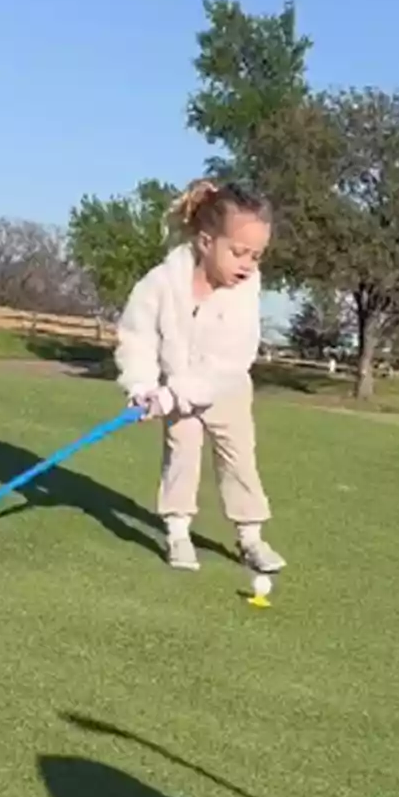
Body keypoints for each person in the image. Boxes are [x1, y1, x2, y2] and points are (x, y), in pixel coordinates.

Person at [116, 178, 286, 577]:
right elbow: (136, 336)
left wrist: (175, 395)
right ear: (207, 242)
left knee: (239, 460)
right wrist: (142, 387)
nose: (248, 265)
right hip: (175, 386)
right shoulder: (160, 282)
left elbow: (231, 360)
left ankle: (250, 538)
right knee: (181, 455)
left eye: (257, 256)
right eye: (240, 252)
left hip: (226, 390)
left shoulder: (244, 292)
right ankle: (178, 533)